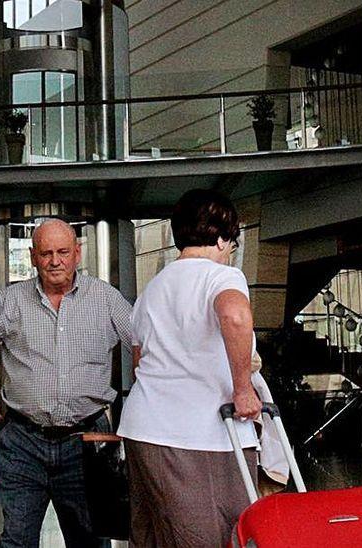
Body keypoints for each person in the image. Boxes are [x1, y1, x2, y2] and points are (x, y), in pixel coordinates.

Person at [0, 218, 134, 548]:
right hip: (22, 443)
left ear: (77, 253)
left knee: (90, 541)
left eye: (62, 252)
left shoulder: (106, 299)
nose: (54, 261)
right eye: (45, 253)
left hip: (87, 442)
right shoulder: (11, 300)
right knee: (16, 540)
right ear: (32, 257)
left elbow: (148, 346)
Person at [118, 189, 263, 548]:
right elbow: (235, 315)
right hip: (202, 435)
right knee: (220, 536)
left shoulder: (151, 291)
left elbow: (139, 362)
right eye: (232, 242)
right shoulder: (221, 277)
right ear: (220, 237)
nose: (231, 251)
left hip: (143, 431)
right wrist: (243, 389)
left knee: (154, 536)